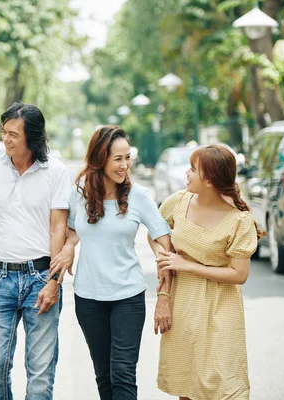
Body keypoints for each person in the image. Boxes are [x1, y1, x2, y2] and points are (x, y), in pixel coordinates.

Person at [50, 125, 173, 400]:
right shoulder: (79, 194)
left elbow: (164, 242)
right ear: (99, 159)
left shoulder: (139, 195)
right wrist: (69, 246)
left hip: (128, 297)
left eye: (127, 157)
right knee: (103, 375)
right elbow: (71, 231)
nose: (125, 165)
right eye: (118, 159)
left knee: (122, 373)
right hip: (88, 297)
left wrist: (164, 294)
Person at [0, 102, 70, 400]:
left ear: (33, 138)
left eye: (13, 134)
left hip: (41, 277)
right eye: (4, 132)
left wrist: (54, 282)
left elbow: (57, 229)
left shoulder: (56, 172)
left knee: (40, 373)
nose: (6, 139)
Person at [152, 144, 263, 400]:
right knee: (187, 382)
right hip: (183, 303)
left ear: (210, 180)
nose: (186, 174)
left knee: (223, 383)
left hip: (220, 306)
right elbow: (154, 235)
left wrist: (188, 265)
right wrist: (163, 255)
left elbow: (239, 274)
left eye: (193, 169)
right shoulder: (178, 201)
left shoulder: (239, 220)